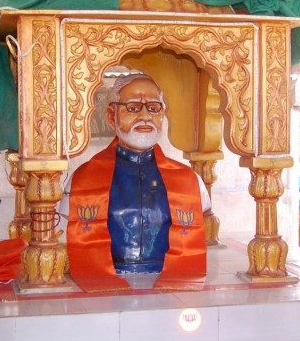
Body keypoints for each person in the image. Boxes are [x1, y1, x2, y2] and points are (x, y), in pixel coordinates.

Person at [63, 73, 210, 282]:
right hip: (105, 281)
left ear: (163, 114)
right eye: (132, 107)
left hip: (171, 281)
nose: (145, 116)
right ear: (111, 115)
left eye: (153, 107)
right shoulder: (81, 180)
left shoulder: (190, 180)